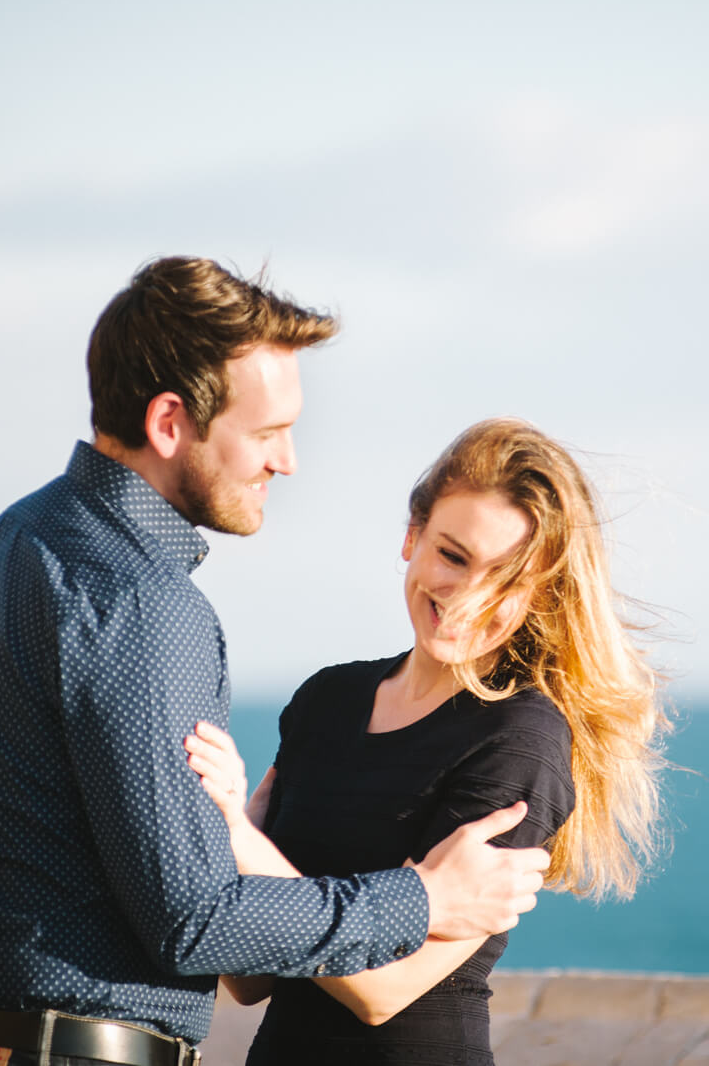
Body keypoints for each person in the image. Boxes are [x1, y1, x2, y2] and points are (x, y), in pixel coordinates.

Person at [0, 259, 551, 1066]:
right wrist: (422, 897)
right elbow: (196, 924)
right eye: (269, 432)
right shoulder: (147, 601)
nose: (288, 461)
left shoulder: (14, 540)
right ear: (171, 422)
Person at [184, 417, 671, 1064]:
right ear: (412, 537)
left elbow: (383, 988)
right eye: (452, 555)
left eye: (504, 578)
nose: (466, 596)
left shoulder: (520, 741)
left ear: (538, 596)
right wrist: (235, 834)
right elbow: (249, 980)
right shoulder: (326, 702)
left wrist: (240, 839)